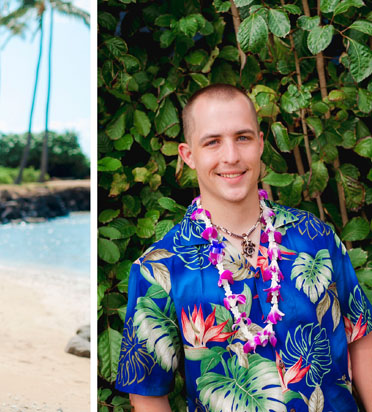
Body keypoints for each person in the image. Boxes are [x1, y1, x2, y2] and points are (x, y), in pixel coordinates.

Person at [115, 84, 372, 411]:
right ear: (188, 155)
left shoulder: (316, 237)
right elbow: (148, 393)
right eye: (212, 142)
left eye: (243, 137)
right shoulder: (160, 269)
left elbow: (360, 338)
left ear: (260, 143)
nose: (231, 156)